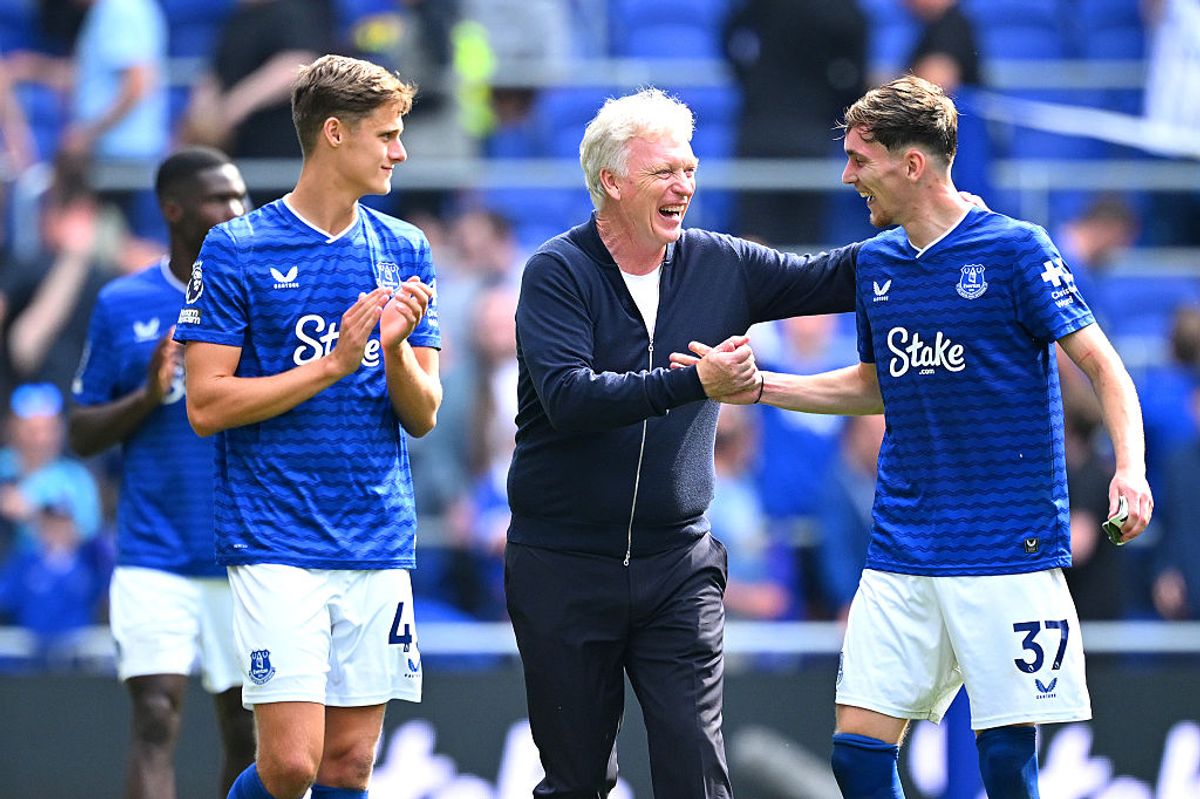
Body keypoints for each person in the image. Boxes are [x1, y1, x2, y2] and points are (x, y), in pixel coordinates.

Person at [677, 76, 1154, 799]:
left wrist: (1132, 468)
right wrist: (762, 388)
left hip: (1006, 547)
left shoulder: (1016, 251)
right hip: (904, 544)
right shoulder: (878, 264)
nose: (847, 176)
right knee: (857, 756)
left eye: (860, 159)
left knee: (1005, 766)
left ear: (912, 164)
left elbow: (1103, 365)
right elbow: (877, 384)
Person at [504, 87, 860, 798]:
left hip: (679, 563)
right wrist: (696, 382)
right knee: (576, 781)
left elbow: (838, 275)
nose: (685, 186)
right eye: (666, 171)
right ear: (612, 182)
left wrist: (930, 224)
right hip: (563, 565)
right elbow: (572, 399)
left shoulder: (719, 262)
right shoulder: (557, 271)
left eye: (690, 169)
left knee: (697, 774)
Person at [174, 55, 441, 799]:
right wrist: (331, 365)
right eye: (387, 135)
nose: (400, 151)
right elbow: (206, 405)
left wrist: (389, 350)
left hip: (376, 532)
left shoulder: (404, 248)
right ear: (333, 133)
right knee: (291, 765)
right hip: (274, 535)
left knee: (349, 765)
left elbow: (424, 414)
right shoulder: (237, 249)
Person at [68, 146, 255, 798]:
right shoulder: (124, 304)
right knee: (154, 717)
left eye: (240, 197)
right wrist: (147, 396)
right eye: (219, 199)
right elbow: (81, 432)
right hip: (155, 554)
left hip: (245, 552)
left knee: (246, 730)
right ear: (173, 210)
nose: (237, 210)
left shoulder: (264, 296)